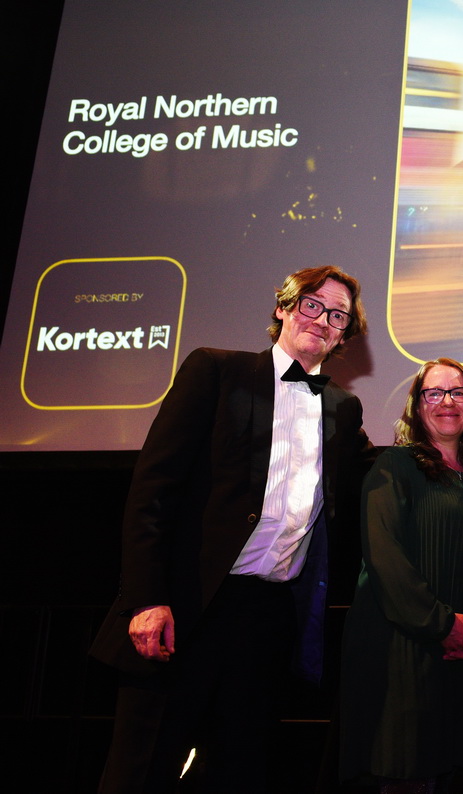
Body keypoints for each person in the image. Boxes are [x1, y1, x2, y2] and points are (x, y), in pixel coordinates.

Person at [90, 265, 373, 793]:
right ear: (283, 308)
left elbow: (374, 481)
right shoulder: (217, 371)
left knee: (241, 771)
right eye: (311, 304)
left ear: (343, 335)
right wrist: (146, 598)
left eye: (337, 315)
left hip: (269, 618)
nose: (322, 319)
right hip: (187, 605)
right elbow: (154, 491)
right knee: (143, 767)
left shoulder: (343, 407)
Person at [341, 358, 463, 791]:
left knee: (449, 772)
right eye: (434, 393)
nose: (446, 402)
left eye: (458, 392)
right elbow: (385, 560)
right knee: (404, 771)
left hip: (458, 653)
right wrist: (440, 626)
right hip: (401, 649)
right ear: (417, 405)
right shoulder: (393, 466)